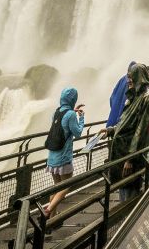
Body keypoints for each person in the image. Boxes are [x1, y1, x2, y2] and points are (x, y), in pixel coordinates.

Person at [106, 64, 149, 202]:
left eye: (131, 77)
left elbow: (140, 130)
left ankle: (129, 220)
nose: (128, 81)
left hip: (129, 155)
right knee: (123, 189)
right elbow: (126, 121)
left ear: (139, 77)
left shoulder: (146, 98)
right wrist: (111, 130)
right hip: (122, 153)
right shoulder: (135, 95)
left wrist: (131, 158)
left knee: (130, 194)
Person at [44, 87, 85, 218]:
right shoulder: (71, 115)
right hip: (63, 158)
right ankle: (49, 209)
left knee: (56, 188)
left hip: (52, 157)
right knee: (66, 186)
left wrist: (72, 111)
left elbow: (63, 122)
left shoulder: (56, 112)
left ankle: (51, 220)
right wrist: (81, 117)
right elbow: (77, 133)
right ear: (73, 99)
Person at [106, 62, 137, 129]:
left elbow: (111, 98)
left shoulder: (122, 79)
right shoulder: (132, 83)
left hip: (113, 120)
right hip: (122, 124)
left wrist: (114, 110)